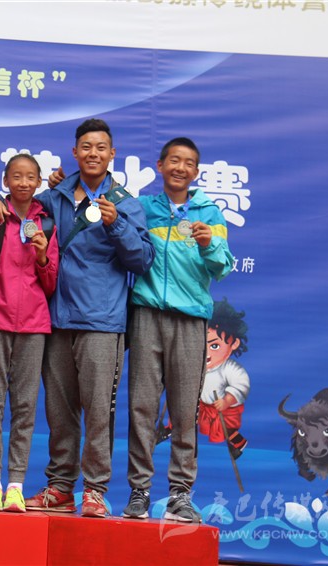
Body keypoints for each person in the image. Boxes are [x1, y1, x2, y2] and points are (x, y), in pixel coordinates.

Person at [0, 118, 154, 518]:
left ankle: (94, 489)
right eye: (86, 147)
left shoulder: (126, 203)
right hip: (57, 318)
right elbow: (20, 201)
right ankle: (60, 487)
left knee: (97, 411)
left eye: (101, 148)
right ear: (75, 152)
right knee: (59, 412)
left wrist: (117, 225)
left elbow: (143, 259)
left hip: (101, 320)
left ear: (112, 154)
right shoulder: (54, 196)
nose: (93, 154)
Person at [123, 137, 234, 523]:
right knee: (142, 406)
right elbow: (115, 227)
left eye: (188, 163)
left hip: (190, 320)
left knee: (185, 410)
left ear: (196, 172)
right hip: (147, 315)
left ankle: (180, 494)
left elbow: (223, 266)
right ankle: (139, 490)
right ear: (160, 165)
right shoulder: (144, 208)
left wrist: (208, 244)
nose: (180, 168)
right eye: (174, 160)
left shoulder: (209, 213)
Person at [0, 154, 58, 513]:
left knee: (25, 408)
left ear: (38, 182)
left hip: (34, 323)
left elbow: (50, 284)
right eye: (16, 176)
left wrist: (43, 257)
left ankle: (16, 486)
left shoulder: (46, 222)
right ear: (5, 180)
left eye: (30, 177)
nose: (23, 183)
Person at [199, 298, 249, 458]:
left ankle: (238, 443)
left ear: (234, 343)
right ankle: (169, 430)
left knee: (225, 428)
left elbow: (241, 385)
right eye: (202, 344)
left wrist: (227, 400)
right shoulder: (197, 364)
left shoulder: (230, 368)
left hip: (225, 408)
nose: (207, 352)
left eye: (214, 346)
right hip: (204, 406)